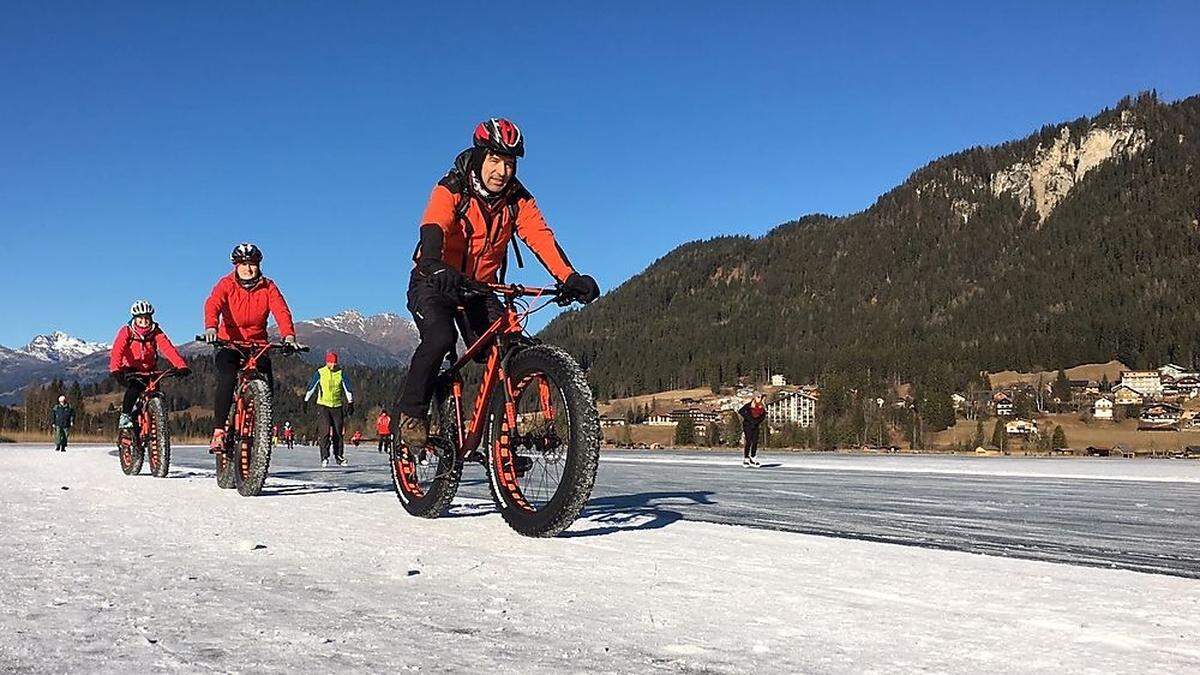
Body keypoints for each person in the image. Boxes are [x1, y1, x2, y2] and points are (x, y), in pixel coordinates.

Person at [396, 118, 601, 448]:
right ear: (479, 158)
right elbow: (435, 224)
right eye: (494, 160)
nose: (502, 171)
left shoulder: (518, 200)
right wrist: (433, 263)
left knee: (508, 349)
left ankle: (499, 438)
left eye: (509, 163)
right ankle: (411, 413)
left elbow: (541, 237)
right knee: (439, 338)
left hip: (481, 288)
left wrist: (569, 278)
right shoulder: (452, 188)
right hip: (435, 281)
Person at [202, 243, 297, 451]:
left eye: (252, 264)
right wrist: (211, 326)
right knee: (228, 377)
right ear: (236, 266)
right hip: (229, 343)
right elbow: (213, 303)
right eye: (243, 264)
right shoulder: (226, 283)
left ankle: (261, 426)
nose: (248, 268)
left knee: (266, 382)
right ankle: (219, 431)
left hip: (257, 344)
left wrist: (288, 335)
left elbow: (281, 310)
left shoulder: (268, 286)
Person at [109, 300, 190, 431]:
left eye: (147, 318)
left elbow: (167, 348)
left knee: (156, 394)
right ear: (135, 319)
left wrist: (181, 365)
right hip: (131, 368)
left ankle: (158, 427)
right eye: (141, 319)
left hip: (150, 369)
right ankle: (125, 416)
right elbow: (117, 350)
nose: (144, 322)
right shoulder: (127, 331)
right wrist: (116, 370)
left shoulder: (156, 332)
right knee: (135, 389)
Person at [304, 350, 353, 467]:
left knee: (338, 433)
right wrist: (306, 400)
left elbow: (347, 388)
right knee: (324, 432)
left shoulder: (341, 373)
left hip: (337, 406)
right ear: (327, 362)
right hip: (323, 406)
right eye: (331, 363)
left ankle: (339, 456)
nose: (333, 365)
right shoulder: (320, 373)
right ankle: (324, 456)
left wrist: (350, 402)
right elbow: (312, 387)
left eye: (335, 363)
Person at [738, 395, 767, 468]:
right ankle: (746, 458)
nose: (759, 399)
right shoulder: (749, 405)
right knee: (748, 441)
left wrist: (756, 421)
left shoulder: (762, 407)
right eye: (757, 397)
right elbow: (741, 411)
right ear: (754, 398)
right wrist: (750, 419)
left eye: (760, 397)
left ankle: (753, 458)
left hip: (755, 426)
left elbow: (763, 417)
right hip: (748, 426)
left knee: (755, 441)